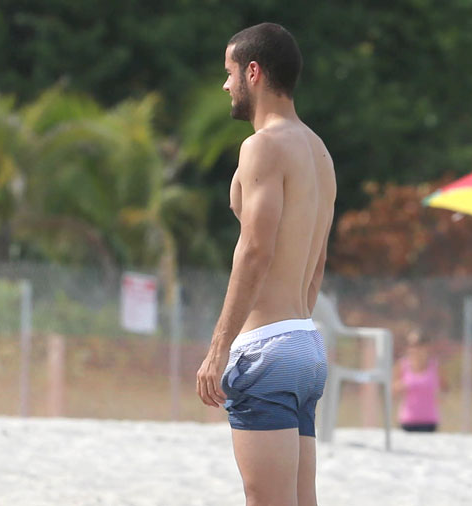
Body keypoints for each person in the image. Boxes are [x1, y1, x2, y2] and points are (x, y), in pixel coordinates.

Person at [195, 23, 335, 506]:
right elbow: (316, 261)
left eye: (230, 73)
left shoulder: (263, 146)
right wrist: (294, 331)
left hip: (266, 349)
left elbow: (256, 249)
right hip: (304, 343)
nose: (225, 85)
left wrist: (220, 347)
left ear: (253, 72)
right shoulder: (319, 152)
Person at [394, 330, 446, 432]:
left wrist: (441, 396)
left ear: (427, 346)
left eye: (418, 344)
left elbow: (445, 388)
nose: (414, 349)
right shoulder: (402, 365)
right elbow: (392, 390)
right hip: (407, 421)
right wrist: (400, 386)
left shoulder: (435, 366)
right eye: (411, 345)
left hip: (430, 421)